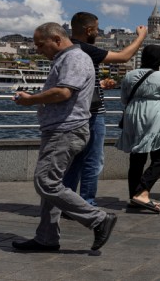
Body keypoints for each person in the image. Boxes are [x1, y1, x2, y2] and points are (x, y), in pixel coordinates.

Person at [11, 22, 117, 252]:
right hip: (59, 129)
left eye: (41, 45)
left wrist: (31, 99)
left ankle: (98, 219)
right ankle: (46, 238)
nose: (39, 50)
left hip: (65, 129)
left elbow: (63, 92)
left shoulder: (74, 58)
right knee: (51, 183)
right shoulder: (66, 59)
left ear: (57, 39)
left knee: (45, 182)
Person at [62, 12, 148, 207]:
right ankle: (86, 204)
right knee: (93, 161)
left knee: (75, 161)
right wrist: (141, 37)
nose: (98, 34)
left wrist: (98, 83)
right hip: (92, 112)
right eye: (97, 29)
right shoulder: (85, 48)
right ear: (89, 30)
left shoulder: (68, 48)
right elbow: (123, 56)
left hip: (75, 111)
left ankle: (68, 204)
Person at [115, 45, 160, 213]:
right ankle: (142, 192)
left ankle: (134, 197)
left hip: (132, 115)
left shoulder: (129, 75)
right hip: (153, 116)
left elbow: (123, 99)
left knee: (137, 159)